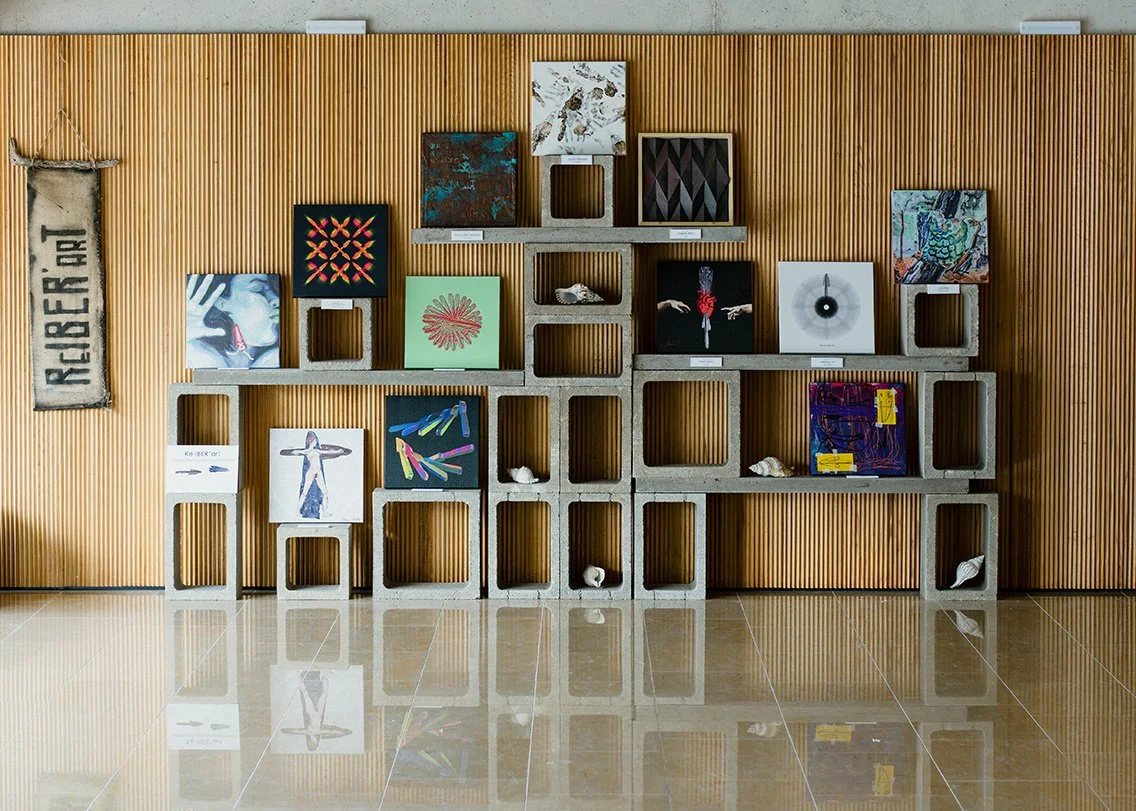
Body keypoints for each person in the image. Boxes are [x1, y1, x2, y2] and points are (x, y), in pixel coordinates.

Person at [185, 274, 280, 368]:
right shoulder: (200, 355)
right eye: (258, 289)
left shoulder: (275, 357)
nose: (277, 300)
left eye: (275, 290)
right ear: (221, 303)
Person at [278, 431, 351, 519]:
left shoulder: (317, 451)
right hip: (311, 472)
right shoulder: (307, 451)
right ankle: (297, 511)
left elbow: (328, 452)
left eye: (313, 439)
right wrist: (291, 451)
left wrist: (339, 451)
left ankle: (325, 512)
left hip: (318, 472)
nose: (313, 441)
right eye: (312, 440)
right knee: (305, 492)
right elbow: (296, 452)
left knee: (324, 492)